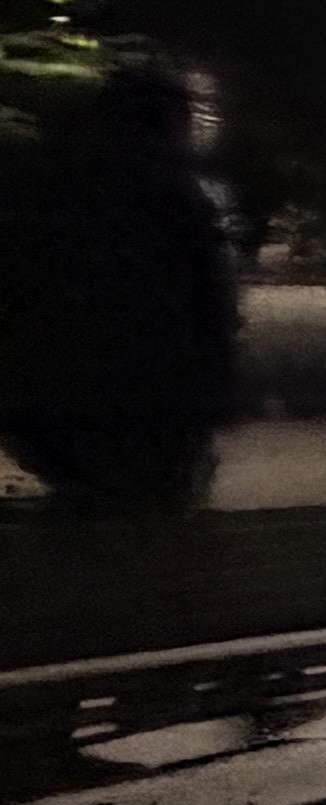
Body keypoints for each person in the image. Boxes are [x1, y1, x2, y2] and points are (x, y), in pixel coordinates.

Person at [0, 61, 244, 514]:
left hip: (51, 381)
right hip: (143, 382)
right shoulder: (169, 189)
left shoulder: (48, 172)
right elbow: (206, 295)